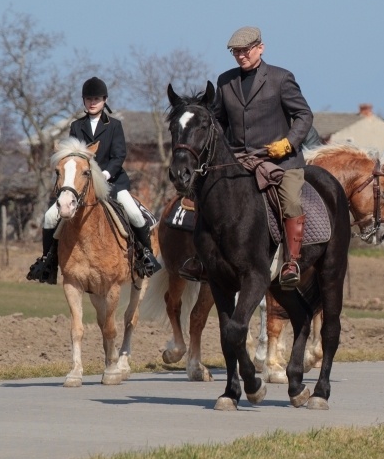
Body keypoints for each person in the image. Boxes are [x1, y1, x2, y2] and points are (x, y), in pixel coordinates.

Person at [178, 26, 313, 288]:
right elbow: (218, 122)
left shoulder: (281, 78)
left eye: (245, 50)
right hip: (239, 159)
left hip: (280, 162)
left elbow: (304, 115)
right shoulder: (225, 81)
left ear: (260, 47)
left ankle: (291, 262)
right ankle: (202, 258)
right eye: (235, 52)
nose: (241, 56)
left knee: (291, 202)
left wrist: (288, 144)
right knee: (205, 198)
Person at [27, 76, 161, 284]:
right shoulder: (76, 126)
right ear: (84, 101)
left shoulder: (114, 125)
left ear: (104, 100)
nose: (92, 102)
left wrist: (105, 174)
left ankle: (145, 255)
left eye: (96, 99)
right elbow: (72, 156)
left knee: (133, 211)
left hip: (112, 181)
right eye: (88, 99)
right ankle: (48, 262)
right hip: (81, 185)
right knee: (50, 217)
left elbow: (119, 156)